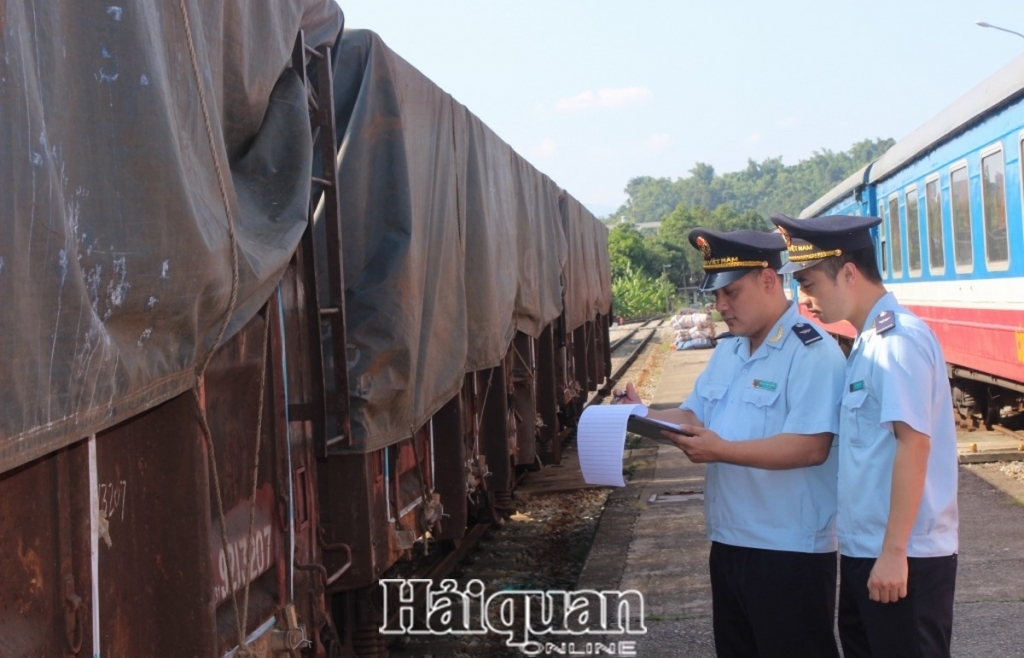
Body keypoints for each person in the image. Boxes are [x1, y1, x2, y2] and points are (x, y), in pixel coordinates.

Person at [614, 227, 846, 658]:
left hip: (788, 549)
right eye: (716, 295)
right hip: (729, 543)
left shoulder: (811, 353)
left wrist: (721, 450)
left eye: (731, 293)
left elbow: (811, 447)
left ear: (768, 281)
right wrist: (638, 415)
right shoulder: (729, 351)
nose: (720, 306)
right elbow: (692, 416)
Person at [771, 212, 958, 658]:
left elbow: (914, 444)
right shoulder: (868, 343)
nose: (805, 299)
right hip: (867, 552)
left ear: (849, 273)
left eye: (810, 284)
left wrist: (893, 552)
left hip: (903, 555)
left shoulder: (897, 342)